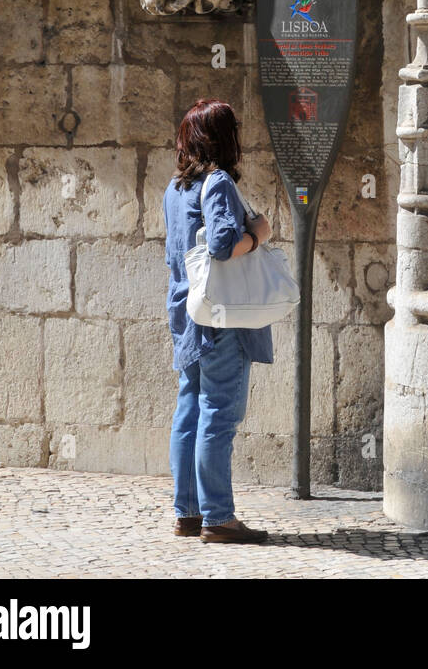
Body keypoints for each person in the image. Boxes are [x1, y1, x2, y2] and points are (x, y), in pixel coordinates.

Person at [163, 97, 274, 544]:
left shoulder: (175, 188)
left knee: (189, 409)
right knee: (219, 413)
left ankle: (188, 513)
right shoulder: (219, 182)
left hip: (187, 313)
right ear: (225, 139)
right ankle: (219, 518)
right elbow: (225, 245)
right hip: (221, 316)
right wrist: (260, 233)